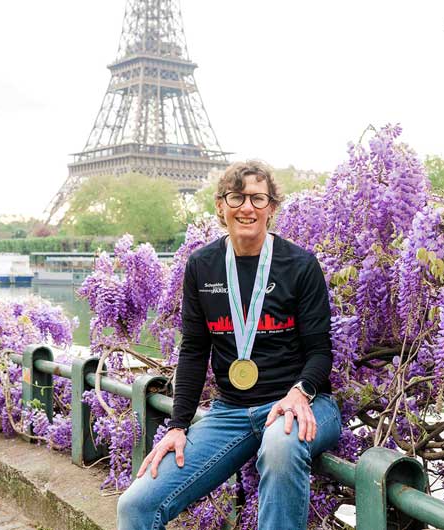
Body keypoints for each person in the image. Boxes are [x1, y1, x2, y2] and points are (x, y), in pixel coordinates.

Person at [116, 161, 341, 530]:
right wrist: (177, 426)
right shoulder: (202, 266)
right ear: (221, 206)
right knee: (135, 506)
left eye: (257, 197)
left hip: (302, 405)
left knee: (281, 447)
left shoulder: (300, 265)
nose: (247, 207)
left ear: (272, 207)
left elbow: (320, 351)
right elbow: (193, 351)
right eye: (236, 197)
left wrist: (300, 393)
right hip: (230, 414)